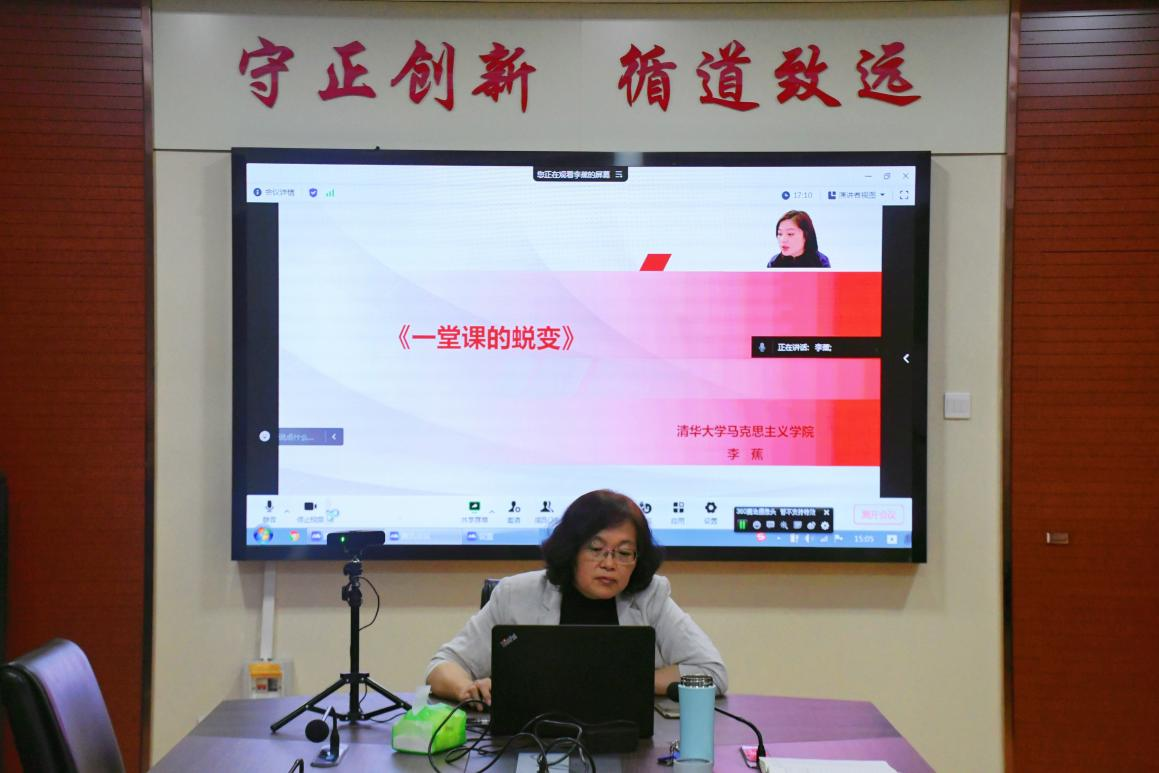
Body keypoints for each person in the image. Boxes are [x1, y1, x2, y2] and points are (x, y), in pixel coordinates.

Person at [425, 489, 728, 705]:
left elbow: (711, 674)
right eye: (596, 549)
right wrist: (467, 690)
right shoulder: (516, 595)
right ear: (571, 550)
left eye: (624, 553)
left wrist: (620, 681)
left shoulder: (650, 598)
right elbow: (443, 665)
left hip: (626, 739)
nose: (609, 563)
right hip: (529, 739)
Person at [767, 210, 831, 268]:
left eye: (790, 234)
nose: (783, 240)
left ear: (806, 235)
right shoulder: (774, 262)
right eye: (780, 234)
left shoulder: (821, 261)